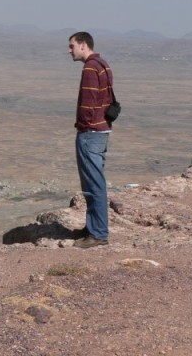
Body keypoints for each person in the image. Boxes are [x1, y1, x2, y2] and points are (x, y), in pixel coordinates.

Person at [68, 32, 114, 248]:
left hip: (91, 132)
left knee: (94, 183)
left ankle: (98, 233)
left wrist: (84, 125)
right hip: (102, 130)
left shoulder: (89, 68)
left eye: (72, 46)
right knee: (92, 182)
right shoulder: (103, 64)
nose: (70, 50)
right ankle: (92, 227)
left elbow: (88, 103)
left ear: (83, 45)